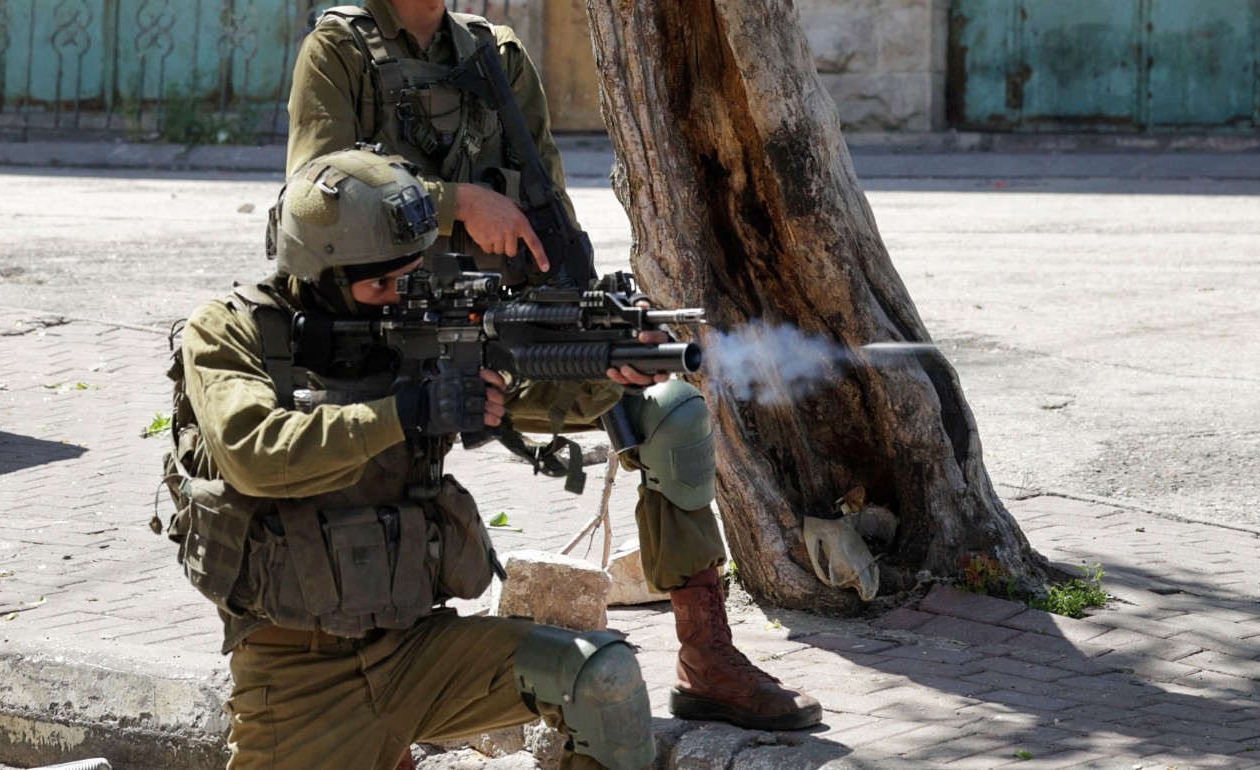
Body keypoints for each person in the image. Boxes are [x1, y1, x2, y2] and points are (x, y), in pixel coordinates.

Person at [284, 0, 822, 732]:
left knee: (668, 410)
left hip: (502, 331)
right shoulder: (338, 49)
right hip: (387, 336)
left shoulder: (494, 53)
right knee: (371, 473)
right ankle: (378, 693)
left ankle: (706, 656)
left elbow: (543, 202)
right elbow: (313, 195)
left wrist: (587, 327)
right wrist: (453, 204)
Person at [164, 148, 655, 770]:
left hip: (422, 651)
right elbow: (256, 452)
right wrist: (407, 412)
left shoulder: (419, 323)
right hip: (298, 678)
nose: (403, 297)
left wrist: (607, 369)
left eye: (412, 274)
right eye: (381, 285)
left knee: (602, 677)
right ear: (319, 274)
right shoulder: (231, 332)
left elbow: (530, 399)